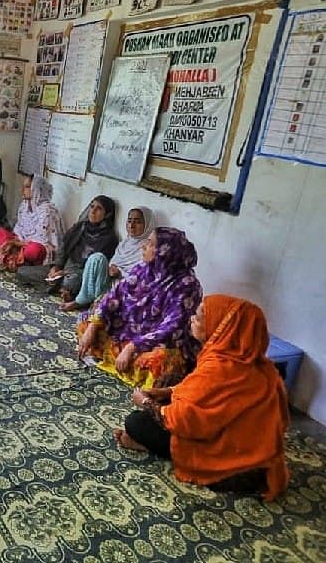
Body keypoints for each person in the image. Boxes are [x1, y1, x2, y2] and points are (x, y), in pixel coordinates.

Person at [114, 295, 290, 501]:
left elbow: (181, 420)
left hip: (229, 458)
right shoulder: (258, 365)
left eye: (198, 318)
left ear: (220, 328)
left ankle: (153, 446)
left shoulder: (219, 368)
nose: (191, 320)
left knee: (136, 422)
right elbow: (200, 392)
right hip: (254, 455)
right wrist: (167, 392)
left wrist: (144, 401)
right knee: (168, 382)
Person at [78, 227, 203, 390]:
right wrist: (93, 327)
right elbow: (113, 297)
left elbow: (172, 328)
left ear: (164, 252)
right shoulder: (142, 270)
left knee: (161, 361)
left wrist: (133, 346)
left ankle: (128, 366)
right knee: (86, 325)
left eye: (150, 243)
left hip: (158, 343)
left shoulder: (187, 286)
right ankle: (115, 359)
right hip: (125, 331)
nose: (143, 246)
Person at [42, 196, 117, 306]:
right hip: (65, 268)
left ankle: (67, 290)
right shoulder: (80, 227)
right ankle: (62, 287)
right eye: (91, 207)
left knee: (70, 282)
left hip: (81, 274)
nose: (93, 211)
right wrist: (56, 267)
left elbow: (94, 269)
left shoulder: (109, 238)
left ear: (108, 214)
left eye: (99, 209)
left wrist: (65, 273)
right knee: (26, 272)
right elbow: (63, 248)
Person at [0, 174, 63, 271]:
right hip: (20, 242)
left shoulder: (47, 210)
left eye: (27, 187)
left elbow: (40, 241)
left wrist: (12, 243)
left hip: (37, 247)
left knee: (34, 251)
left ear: (37, 189)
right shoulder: (24, 205)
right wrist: (13, 242)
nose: (23, 190)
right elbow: (18, 230)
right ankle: (18, 258)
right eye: (24, 186)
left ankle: (19, 258)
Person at [107, 206, 156, 280]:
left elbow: (141, 277)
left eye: (137, 222)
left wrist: (120, 273)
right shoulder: (124, 243)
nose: (131, 225)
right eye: (129, 221)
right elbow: (112, 264)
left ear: (148, 225)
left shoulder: (148, 248)